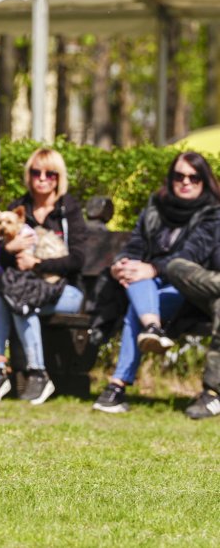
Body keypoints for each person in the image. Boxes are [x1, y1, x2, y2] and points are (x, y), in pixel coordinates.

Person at [92, 151, 220, 414]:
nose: (186, 182)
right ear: (171, 178)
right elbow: (135, 245)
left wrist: (152, 269)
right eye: (179, 176)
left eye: (194, 177)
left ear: (204, 180)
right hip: (146, 285)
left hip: (186, 290)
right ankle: (152, 327)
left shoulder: (212, 214)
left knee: (138, 301)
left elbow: (191, 257)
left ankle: (117, 386)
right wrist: (121, 264)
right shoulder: (155, 208)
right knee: (136, 280)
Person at [0, 148, 87, 405]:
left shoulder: (68, 210)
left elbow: (77, 259)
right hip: (26, 287)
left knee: (20, 301)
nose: (42, 178)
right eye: (36, 173)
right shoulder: (17, 209)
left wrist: (38, 263)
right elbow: (1, 262)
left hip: (65, 290)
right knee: (2, 298)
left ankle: (37, 373)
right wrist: (9, 249)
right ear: (29, 175)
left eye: (50, 174)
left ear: (58, 177)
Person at [165, 228, 220, 419]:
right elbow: (186, 257)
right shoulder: (214, 226)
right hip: (210, 292)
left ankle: (213, 394)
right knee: (176, 266)